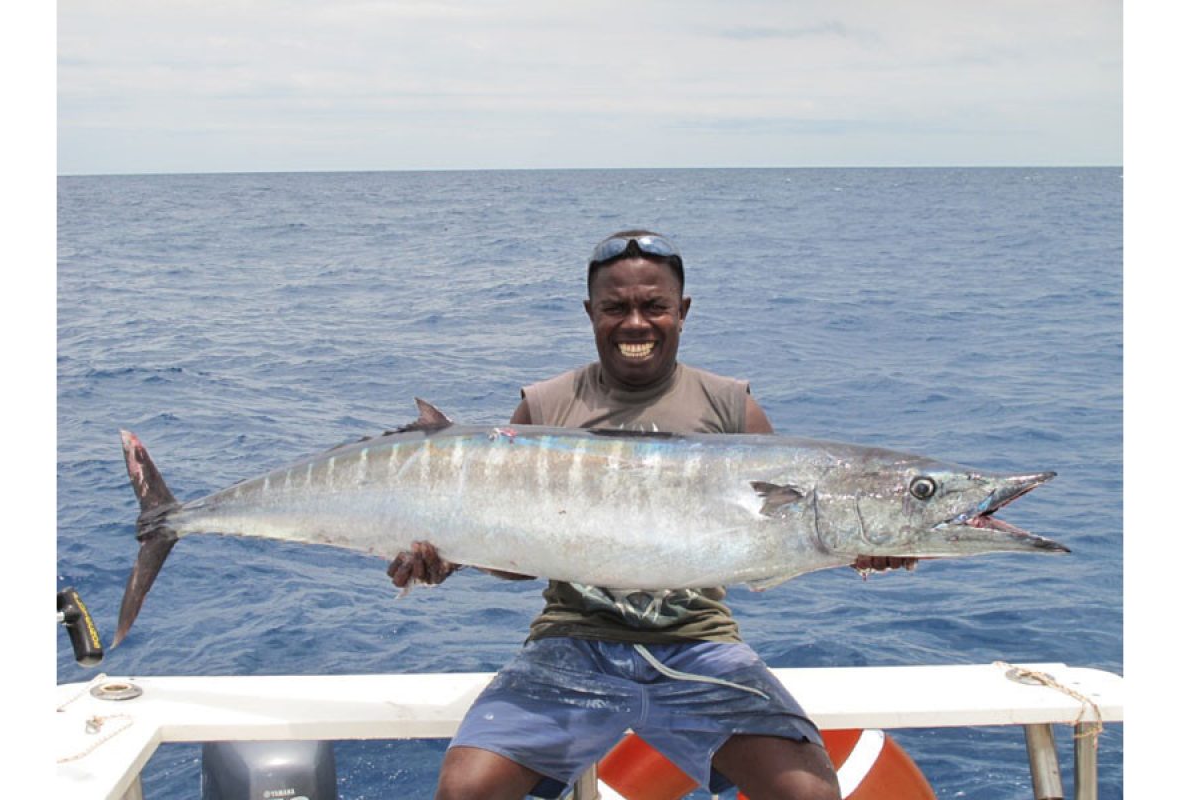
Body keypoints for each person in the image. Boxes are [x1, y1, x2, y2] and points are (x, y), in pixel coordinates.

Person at [388, 231, 916, 800]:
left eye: (654, 306)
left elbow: (777, 542)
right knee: (464, 791)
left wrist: (860, 547)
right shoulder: (544, 406)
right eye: (616, 308)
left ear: (682, 311)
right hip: (572, 638)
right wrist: (452, 555)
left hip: (697, 640)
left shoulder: (731, 406)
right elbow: (518, 558)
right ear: (591, 312)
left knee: (808, 793)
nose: (635, 323)